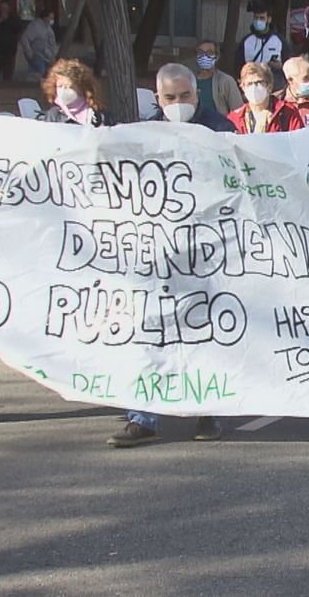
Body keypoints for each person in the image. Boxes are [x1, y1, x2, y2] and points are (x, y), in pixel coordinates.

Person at [107, 63, 231, 447]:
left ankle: (205, 411)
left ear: (197, 95)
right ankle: (141, 417)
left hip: (207, 248)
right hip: (157, 251)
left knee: (202, 330)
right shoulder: (146, 133)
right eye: (170, 98)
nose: (178, 104)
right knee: (147, 331)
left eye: (185, 96)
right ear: (158, 98)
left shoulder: (222, 130)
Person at [192, 39, 243, 128]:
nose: (205, 57)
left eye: (210, 53)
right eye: (201, 53)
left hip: (218, 131)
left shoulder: (226, 81)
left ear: (217, 57)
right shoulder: (189, 82)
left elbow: (238, 112)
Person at [41, 59, 108, 126]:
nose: (63, 91)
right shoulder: (53, 115)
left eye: (68, 87)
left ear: (81, 89)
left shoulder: (98, 115)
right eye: (60, 86)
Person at [228, 62, 287, 133]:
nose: (253, 87)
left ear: (269, 86)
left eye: (259, 82)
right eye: (249, 84)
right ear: (243, 88)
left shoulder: (287, 113)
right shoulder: (234, 118)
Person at [236, 4, 284, 79]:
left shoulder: (279, 40)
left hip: (274, 84)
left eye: (262, 18)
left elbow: (289, 64)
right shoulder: (246, 41)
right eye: (256, 18)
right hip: (251, 82)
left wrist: (280, 66)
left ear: (269, 19)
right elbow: (238, 66)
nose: (258, 21)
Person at [0, 0, 23, 81]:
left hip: (9, 52)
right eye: (1, 8)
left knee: (8, 75)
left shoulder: (14, 18)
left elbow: (18, 28)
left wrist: (7, 20)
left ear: (9, 9)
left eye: (5, 8)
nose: (3, 10)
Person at [19, 7, 58, 77]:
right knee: (38, 75)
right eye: (50, 17)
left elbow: (52, 42)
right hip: (37, 55)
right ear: (45, 17)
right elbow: (24, 38)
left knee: (45, 77)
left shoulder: (48, 28)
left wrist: (53, 55)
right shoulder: (35, 26)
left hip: (47, 57)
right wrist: (29, 52)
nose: (51, 20)